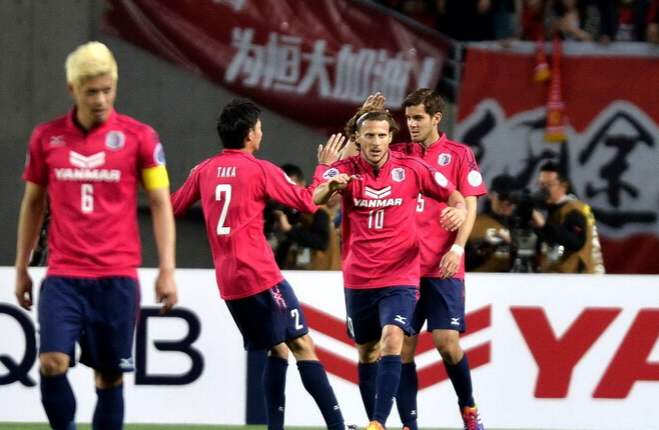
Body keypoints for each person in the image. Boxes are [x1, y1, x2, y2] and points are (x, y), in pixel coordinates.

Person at [14, 41, 178, 430]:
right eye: (91, 92)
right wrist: (21, 268)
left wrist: (167, 269)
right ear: (73, 89)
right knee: (51, 363)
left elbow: (160, 204)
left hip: (117, 277)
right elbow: (32, 204)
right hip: (64, 276)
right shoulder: (46, 138)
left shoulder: (142, 138)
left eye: (107, 90)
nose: (101, 100)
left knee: (108, 377)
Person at [170, 99, 350, 430]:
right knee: (302, 344)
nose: (262, 132)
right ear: (250, 134)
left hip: (229, 283)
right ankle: (338, 427)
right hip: (260, 275)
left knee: (277, 350)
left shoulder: (203, 170)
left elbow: (170, 208)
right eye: (260, 127)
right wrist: (325, 168)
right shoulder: (260, 170)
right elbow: (308, 201)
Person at [313, 110, 467, 430]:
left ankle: (377, 423)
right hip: (359, 277)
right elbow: (315, 197)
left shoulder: (411, 168)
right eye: (369, 135)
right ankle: (376, 420)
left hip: (400, 275)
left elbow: (454, 194)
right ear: (358, 138)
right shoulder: (344, 169)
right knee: (367, 352)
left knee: (393, 338)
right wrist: (330, 183)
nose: (376, 142)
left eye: (382, 135)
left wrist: (459, 209)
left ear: (390, 137)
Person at [355, 89, 488, 429]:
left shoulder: (458, 154)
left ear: (436, 118)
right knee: (402, 349)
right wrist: (362, 116)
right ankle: (408, 424)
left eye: (418, 118)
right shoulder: (398, 152)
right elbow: (355, 152)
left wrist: (457, 247)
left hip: (443, 265)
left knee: (447, 343)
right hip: (403, 269)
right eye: (408, 118)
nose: (411, 124)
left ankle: (468, 408)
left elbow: (469, 204)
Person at [532, 161, 605, 273]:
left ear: (564, 186)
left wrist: (544, 226)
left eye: (549, 185)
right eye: (541, 184)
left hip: (581, 278)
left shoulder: (575, 209)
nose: (544, 190)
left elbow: (575, 242)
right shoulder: (555, 209)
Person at [467, 174, 518, 272]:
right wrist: (484, 245)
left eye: (512, 198)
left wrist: (515, 244)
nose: (507, 202)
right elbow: (464, 264)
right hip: (482, 278)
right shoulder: (475, 223)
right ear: (490, 195)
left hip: (519, 279)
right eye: (502, 197)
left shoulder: (522, 225)